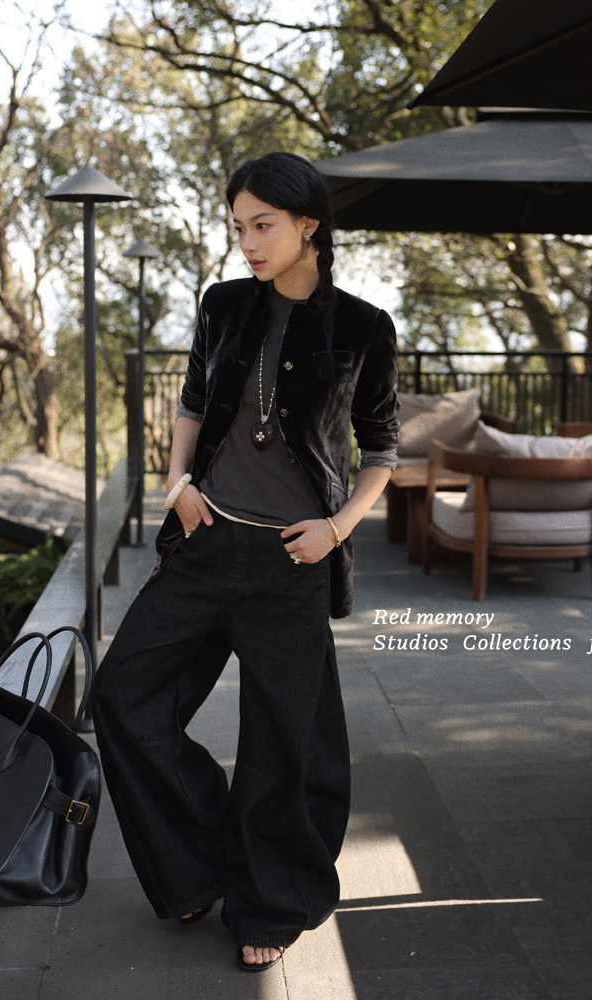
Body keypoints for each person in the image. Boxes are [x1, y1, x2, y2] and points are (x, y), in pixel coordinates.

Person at [91, 151, 399, 972]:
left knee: (282, 745)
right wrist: (176, 486)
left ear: (308, 225)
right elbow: (193, 402)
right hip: (205, 542)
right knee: (122, 695)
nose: (249, 244)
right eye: (240, 227)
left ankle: (269, 902)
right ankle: (197, 863)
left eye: (264, 225)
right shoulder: (223, 304)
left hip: (291, 560)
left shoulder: (364, 327)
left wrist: (337, 529)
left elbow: (382, 449)